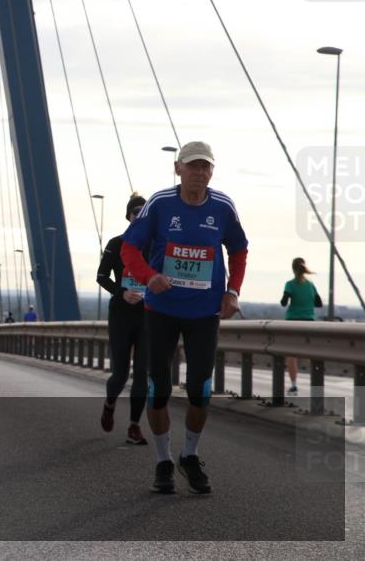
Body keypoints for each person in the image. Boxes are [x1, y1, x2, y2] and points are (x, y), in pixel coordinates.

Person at [121, 141, 247, 495]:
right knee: (158, 389)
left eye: (205, 167)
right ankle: (163, 461)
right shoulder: (161, 204)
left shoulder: (222, 207)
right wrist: (149, 277)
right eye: (193, 166)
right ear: (178, 169)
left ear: (212, 171)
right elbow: (130, 248)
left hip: (204, 312)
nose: (199, 173)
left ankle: (189, 455)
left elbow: (238, 250)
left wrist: (232, 291)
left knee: (200, 390)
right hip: (162, 310)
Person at [96, 193, 150, 445]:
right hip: (121, 313)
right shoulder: (117, 243)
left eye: (144, 211)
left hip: (148, 316)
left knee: (142, 374)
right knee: (120, 374)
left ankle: (134, 426)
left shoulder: (157, 244)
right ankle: (109, 404)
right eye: (135, 211)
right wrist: (122, 292)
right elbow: (101, 276)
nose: (139, 215)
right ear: (128, 216)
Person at [280, 257, 322, 393]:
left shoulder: (290, 284)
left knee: (291, 355)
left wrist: (290, 297)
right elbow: (319, 303)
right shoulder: (311, 285)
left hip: (293, 322)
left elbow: (283, 302)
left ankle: (293, 384)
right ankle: (316, 384)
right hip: (309, 322)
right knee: (311, 354)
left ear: (293, 269)